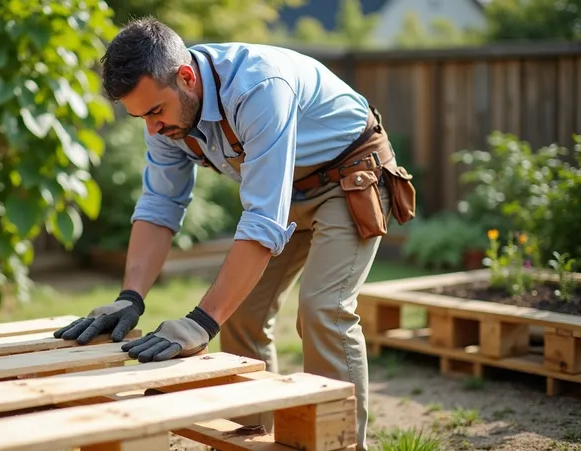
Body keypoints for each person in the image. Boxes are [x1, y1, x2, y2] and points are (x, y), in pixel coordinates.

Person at [53, 17, 416, 451]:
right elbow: (159, 205)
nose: (151, 128)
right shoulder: (168, 117)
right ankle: (252, 436)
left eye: (154, 112)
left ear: (186, 78)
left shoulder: (258, 87)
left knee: (324, 308)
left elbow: (263, 221)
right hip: (287, 192)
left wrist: (200, 323)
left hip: (348, 179)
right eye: (139, 117)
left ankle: (336, 443)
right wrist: (130, 296)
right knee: (241, 312)